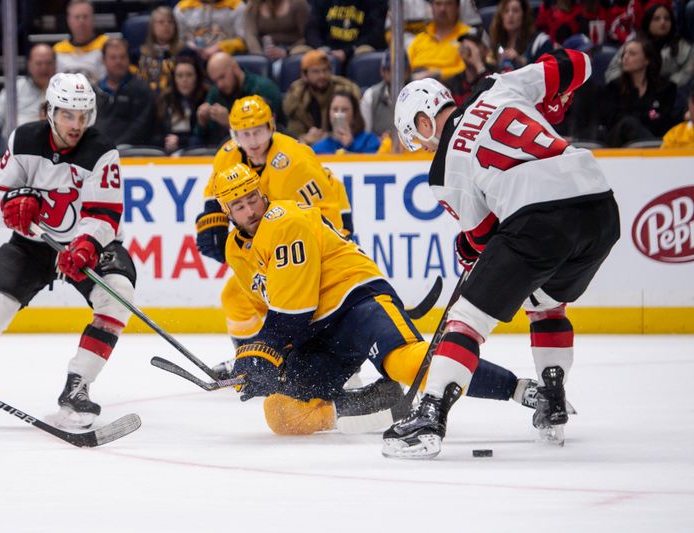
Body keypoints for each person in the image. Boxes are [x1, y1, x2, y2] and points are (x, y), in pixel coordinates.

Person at [385, 49, 620, 459]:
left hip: (540, 219)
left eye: (418, 140)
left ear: (424, 122)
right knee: (546, 302)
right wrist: (553, 100)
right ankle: (553, 398)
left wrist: (465, 246)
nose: (424, 149)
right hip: (600, 209)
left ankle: (430, 415)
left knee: (467, 319)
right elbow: (579, 63)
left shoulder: (443, 170)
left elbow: (484, 238)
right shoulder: (497, 86)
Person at [211, 163, 563, 436]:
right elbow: (270, 306)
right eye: (238, 205)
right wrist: (265, 363)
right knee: (282, 413)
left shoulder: (284, 222)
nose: (250, 210)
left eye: (252, 198)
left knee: (407, 363)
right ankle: (380, 403)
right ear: (228, 212)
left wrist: (264, 352)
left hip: (356, 301)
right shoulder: (235, 249)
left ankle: (521, 391)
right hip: (320, 331)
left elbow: (292, 310)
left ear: (261, 192)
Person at [0, 73, 136, 430]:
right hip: (32, 245)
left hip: (86, 245)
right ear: (51, 111)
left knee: (118, 293)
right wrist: (10, 204)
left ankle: (78, 386)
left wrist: (84, 245)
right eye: (68, 115)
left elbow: (106, 214)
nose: (76, 124)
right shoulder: (25, 140)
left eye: (83, 115)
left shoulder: (102, 151)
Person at [196, 95, 352, 343]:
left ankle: (338, 355)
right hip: (273, 240)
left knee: (320, 297)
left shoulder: (295, 160)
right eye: (244, 134)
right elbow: (214, 195)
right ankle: (249, 359)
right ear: (233, 134)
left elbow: (326, 211)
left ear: (271, 126)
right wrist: (211, 221)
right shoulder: (227, 156)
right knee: (236, 296)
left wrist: (330, 253)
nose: (253, 141)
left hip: (324, 228)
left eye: (257, 131)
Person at [599, 36, 677, 147]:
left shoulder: (666, 88)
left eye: (632, 54)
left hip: (655, 137)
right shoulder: (613, 88)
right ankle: (657, 153)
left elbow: (667, 121)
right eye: (624, 54)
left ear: (647, 60)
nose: (625, 58)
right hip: (618, 146)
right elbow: (612, 120)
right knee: (628, 124)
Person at [195, 51, 283, 148]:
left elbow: (275, 131)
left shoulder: (264, 88)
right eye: (215, 81)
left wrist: (230, 122)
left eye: (222, 77)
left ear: (235, 68)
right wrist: (202, 122)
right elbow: (200, 139)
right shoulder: (215, 93)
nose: (220, 85)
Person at [605, 3, 694, 89]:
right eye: (656, 19)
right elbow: (611, 73)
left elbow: (687, 72)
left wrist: (668, 86)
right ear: (648, 22)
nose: (663, 22)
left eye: (667, 19)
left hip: (669, 95)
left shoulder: (685, 47)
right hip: (631, 93)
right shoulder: (633, 44)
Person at [282, 49, 362, 144]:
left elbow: (357, 124)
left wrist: (329, 137)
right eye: (316, 72)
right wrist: (305, 138)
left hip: (342, 143)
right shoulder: (296, 96)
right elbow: (293, 135)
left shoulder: (345, 89)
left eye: (325, 70)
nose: (322, 76)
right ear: (304, 75)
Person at [94, 38, 156, 146]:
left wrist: (115, 148)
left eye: (122, 57)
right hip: (99, 151)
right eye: (113, 57)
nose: (118, 61)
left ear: (129, 59)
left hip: (132, 153)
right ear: (104, 60)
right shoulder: (94, 91)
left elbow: (141, 127)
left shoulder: (142, 90)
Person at [0, 43, 57, 138]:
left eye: (48, 63)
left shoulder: (63, 88)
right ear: (29, 65)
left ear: (55, 64)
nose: (44, 68)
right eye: (39, 63)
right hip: (16, 145)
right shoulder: (14, 87)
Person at [304, 0, 388, 69]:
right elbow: (312, 29)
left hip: (356, 50)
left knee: (364, 51)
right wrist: (321, 48)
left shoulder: (375, 2)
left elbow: (376, 34)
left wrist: (347, 52)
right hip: (328, 50)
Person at [156, 54, 210, 153]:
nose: (184, 80)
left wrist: (181, 142)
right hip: (167, 153)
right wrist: (166, 141)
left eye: (189, 75)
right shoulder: (164, 99)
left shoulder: (207, 98)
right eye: (180, 76)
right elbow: (155, 134)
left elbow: (208, 137)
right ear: (174, 79)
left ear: (197, 77)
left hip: (196, 152)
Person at [408, 0, 471, 81]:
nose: (442, 9)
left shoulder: (467, 36)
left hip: (453, 87)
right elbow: (405, 69)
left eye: (448, 4)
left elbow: (469, 68)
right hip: (416, 86)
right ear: (432, 7)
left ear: (457, 8)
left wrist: (438, 74)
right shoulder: (420, 39)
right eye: (438, 4)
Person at [489, 0, 553, 72]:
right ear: (501, 16)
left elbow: (545, 73)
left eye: (515, 11)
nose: (510, 15)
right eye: (506, 11)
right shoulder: (498, 41)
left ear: (524, 15)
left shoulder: (540, 42)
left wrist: (521, 61)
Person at [174, 0, 249, 61]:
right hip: (191, 60)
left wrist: (220, 47)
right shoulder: (182, 8)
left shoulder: (237, 5)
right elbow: (177, 40)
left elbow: (244, 41)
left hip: (227, 58)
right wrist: (190, 47)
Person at [53, 0, 109, 82]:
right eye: (77, 17)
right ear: (69, 20)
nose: (81, 21)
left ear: (93, 19)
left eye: (85, 17)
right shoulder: (57, 50)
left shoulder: (107, 45)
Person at [360, 50, 411, 139]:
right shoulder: (370, 95)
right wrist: (378, 140)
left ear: (408, 71)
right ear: (382, 72)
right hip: (381, 150)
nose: (396, 75)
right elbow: (365, 137)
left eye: (401, 69)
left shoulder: (421, 93)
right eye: (390, 70)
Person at [312, 91, 381, 154]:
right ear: (328, 113)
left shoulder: (369, 141)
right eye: (335, 109)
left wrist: (350, 146)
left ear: (354, 113)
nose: (339, 114)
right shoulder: (319, 148)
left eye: (344, 110)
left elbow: (371, 165)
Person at [136, 6, 184, 95]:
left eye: (170, 22)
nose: (166, 25)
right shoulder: (139, 53)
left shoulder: (184, 52)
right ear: (152, 27)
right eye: (161, 22)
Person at [244, 0, 311, 61]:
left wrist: (287, 52)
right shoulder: (254, 6)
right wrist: (260, 57)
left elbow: (307, 36)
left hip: (293, 53)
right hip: (265, 52)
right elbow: (250, 35)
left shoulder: (298, 4)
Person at [445, 30, 498, 106]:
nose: (469, 49)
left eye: (475, 45)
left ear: (486, 50)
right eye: (465, 44)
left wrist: (479, 65)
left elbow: (494, 97)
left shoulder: (497, 73)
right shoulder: (454, 83)